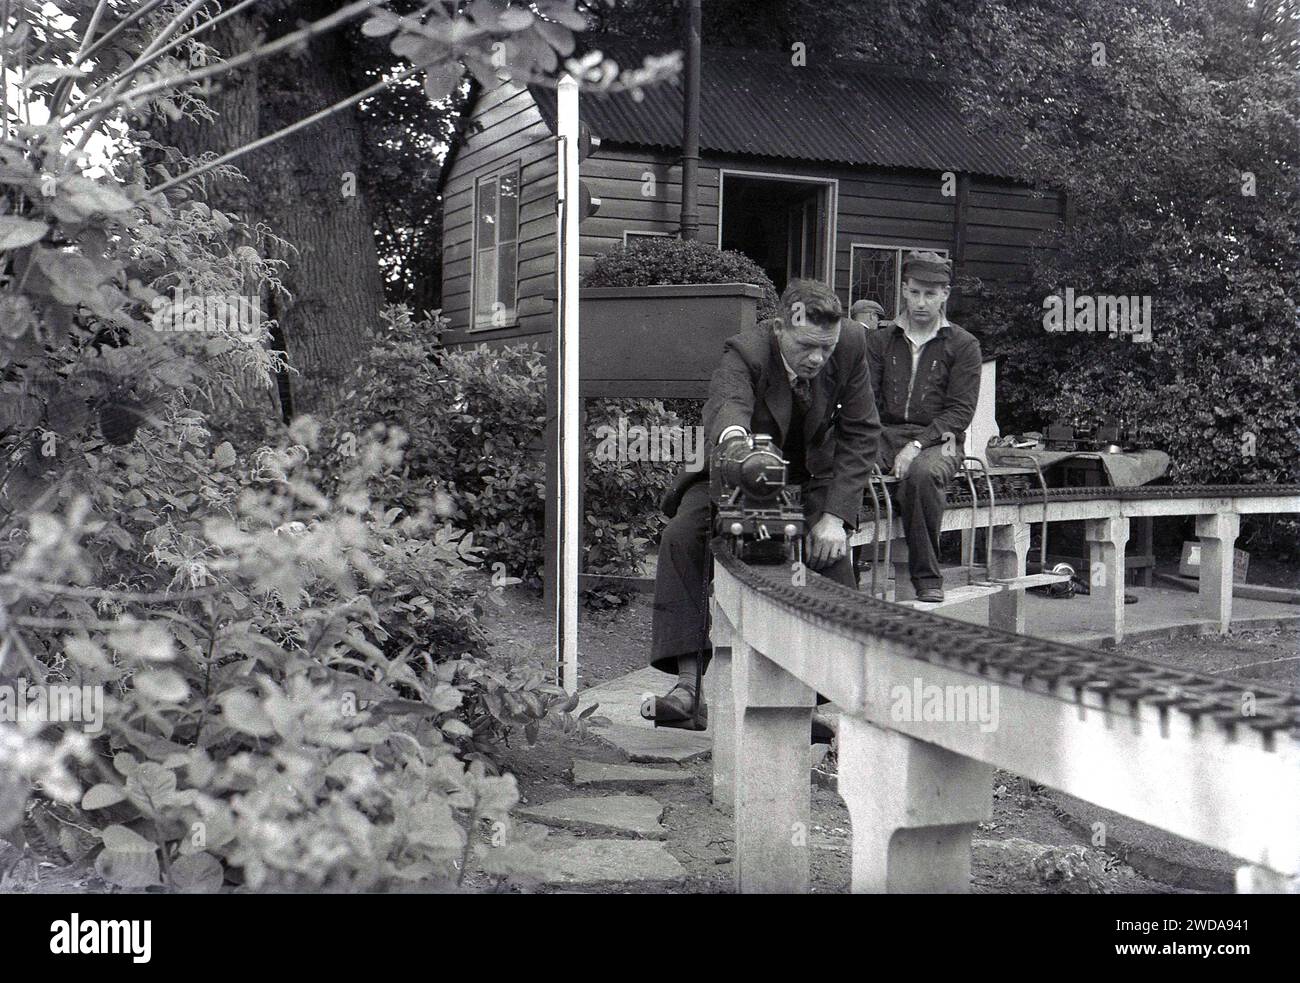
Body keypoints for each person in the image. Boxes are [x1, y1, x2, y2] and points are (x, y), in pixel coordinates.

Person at [646, 279, 881, 730]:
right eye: (807, 346)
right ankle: (689, 688)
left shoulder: (850, 342)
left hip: (811, 477)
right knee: (682, 537)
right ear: (779, 328)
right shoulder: (745, 352)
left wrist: (835, 516)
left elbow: (861, 432)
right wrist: (737, 445)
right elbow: (727, 406)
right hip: (740, 472)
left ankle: (810, 702)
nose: (817, 358)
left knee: (830, 561)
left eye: (825, 348)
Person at [865, 251, 981, 603]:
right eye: (914, 292)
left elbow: (960, 412)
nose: (921, 302)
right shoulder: (880, 341)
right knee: (843, 463)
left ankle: (927, 577)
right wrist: (864, 443)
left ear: (945, 294)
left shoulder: (963, 345)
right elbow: (866, 398)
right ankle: (845, 569)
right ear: (903, 289)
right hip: (884, 434)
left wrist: (916, 445)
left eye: (930, 294)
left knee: (923, 475)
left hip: (940, 439)